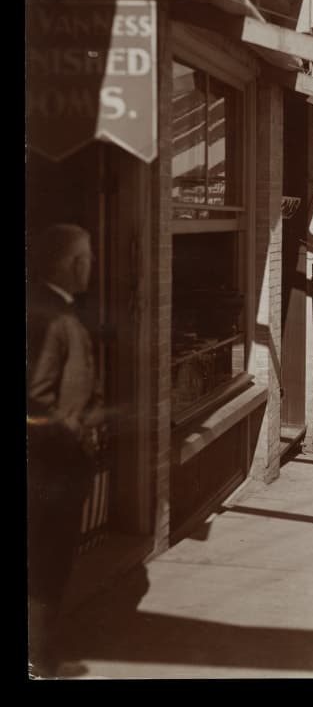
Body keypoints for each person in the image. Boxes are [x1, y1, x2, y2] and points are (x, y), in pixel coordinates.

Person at [27, 223, 103, 678]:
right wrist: (73, 434)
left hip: (54, 460)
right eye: (88, 257)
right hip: (51, 466)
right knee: (49, 555)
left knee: (49, 554)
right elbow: (36, 396)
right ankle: (35, 658)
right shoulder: (52, 316)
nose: (92, 266)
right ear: (74, 264)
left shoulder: (58, 308)